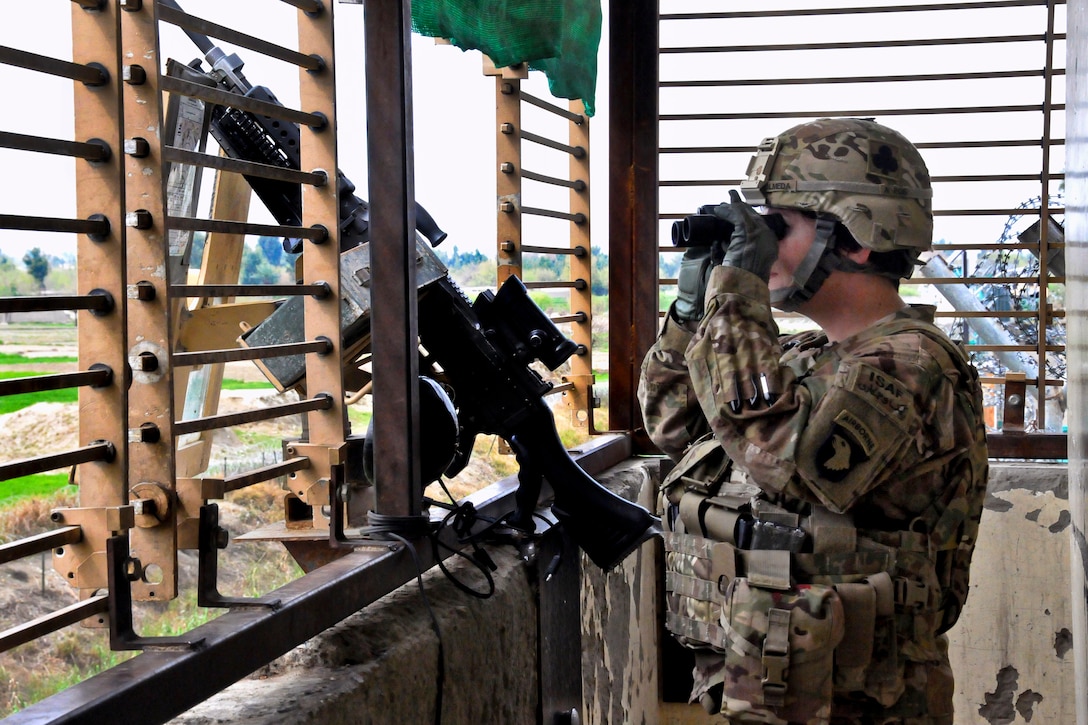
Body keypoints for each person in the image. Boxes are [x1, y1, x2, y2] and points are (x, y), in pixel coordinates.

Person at [638, 118, 989, 724]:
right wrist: (695, 309)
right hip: (768, 682)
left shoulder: (914, 365)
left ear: (856, 238)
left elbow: (791, 464)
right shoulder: (806, 360)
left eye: (775, 227)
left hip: (861, 705)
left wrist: (737, 296)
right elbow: (672, 423)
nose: (760, 247)